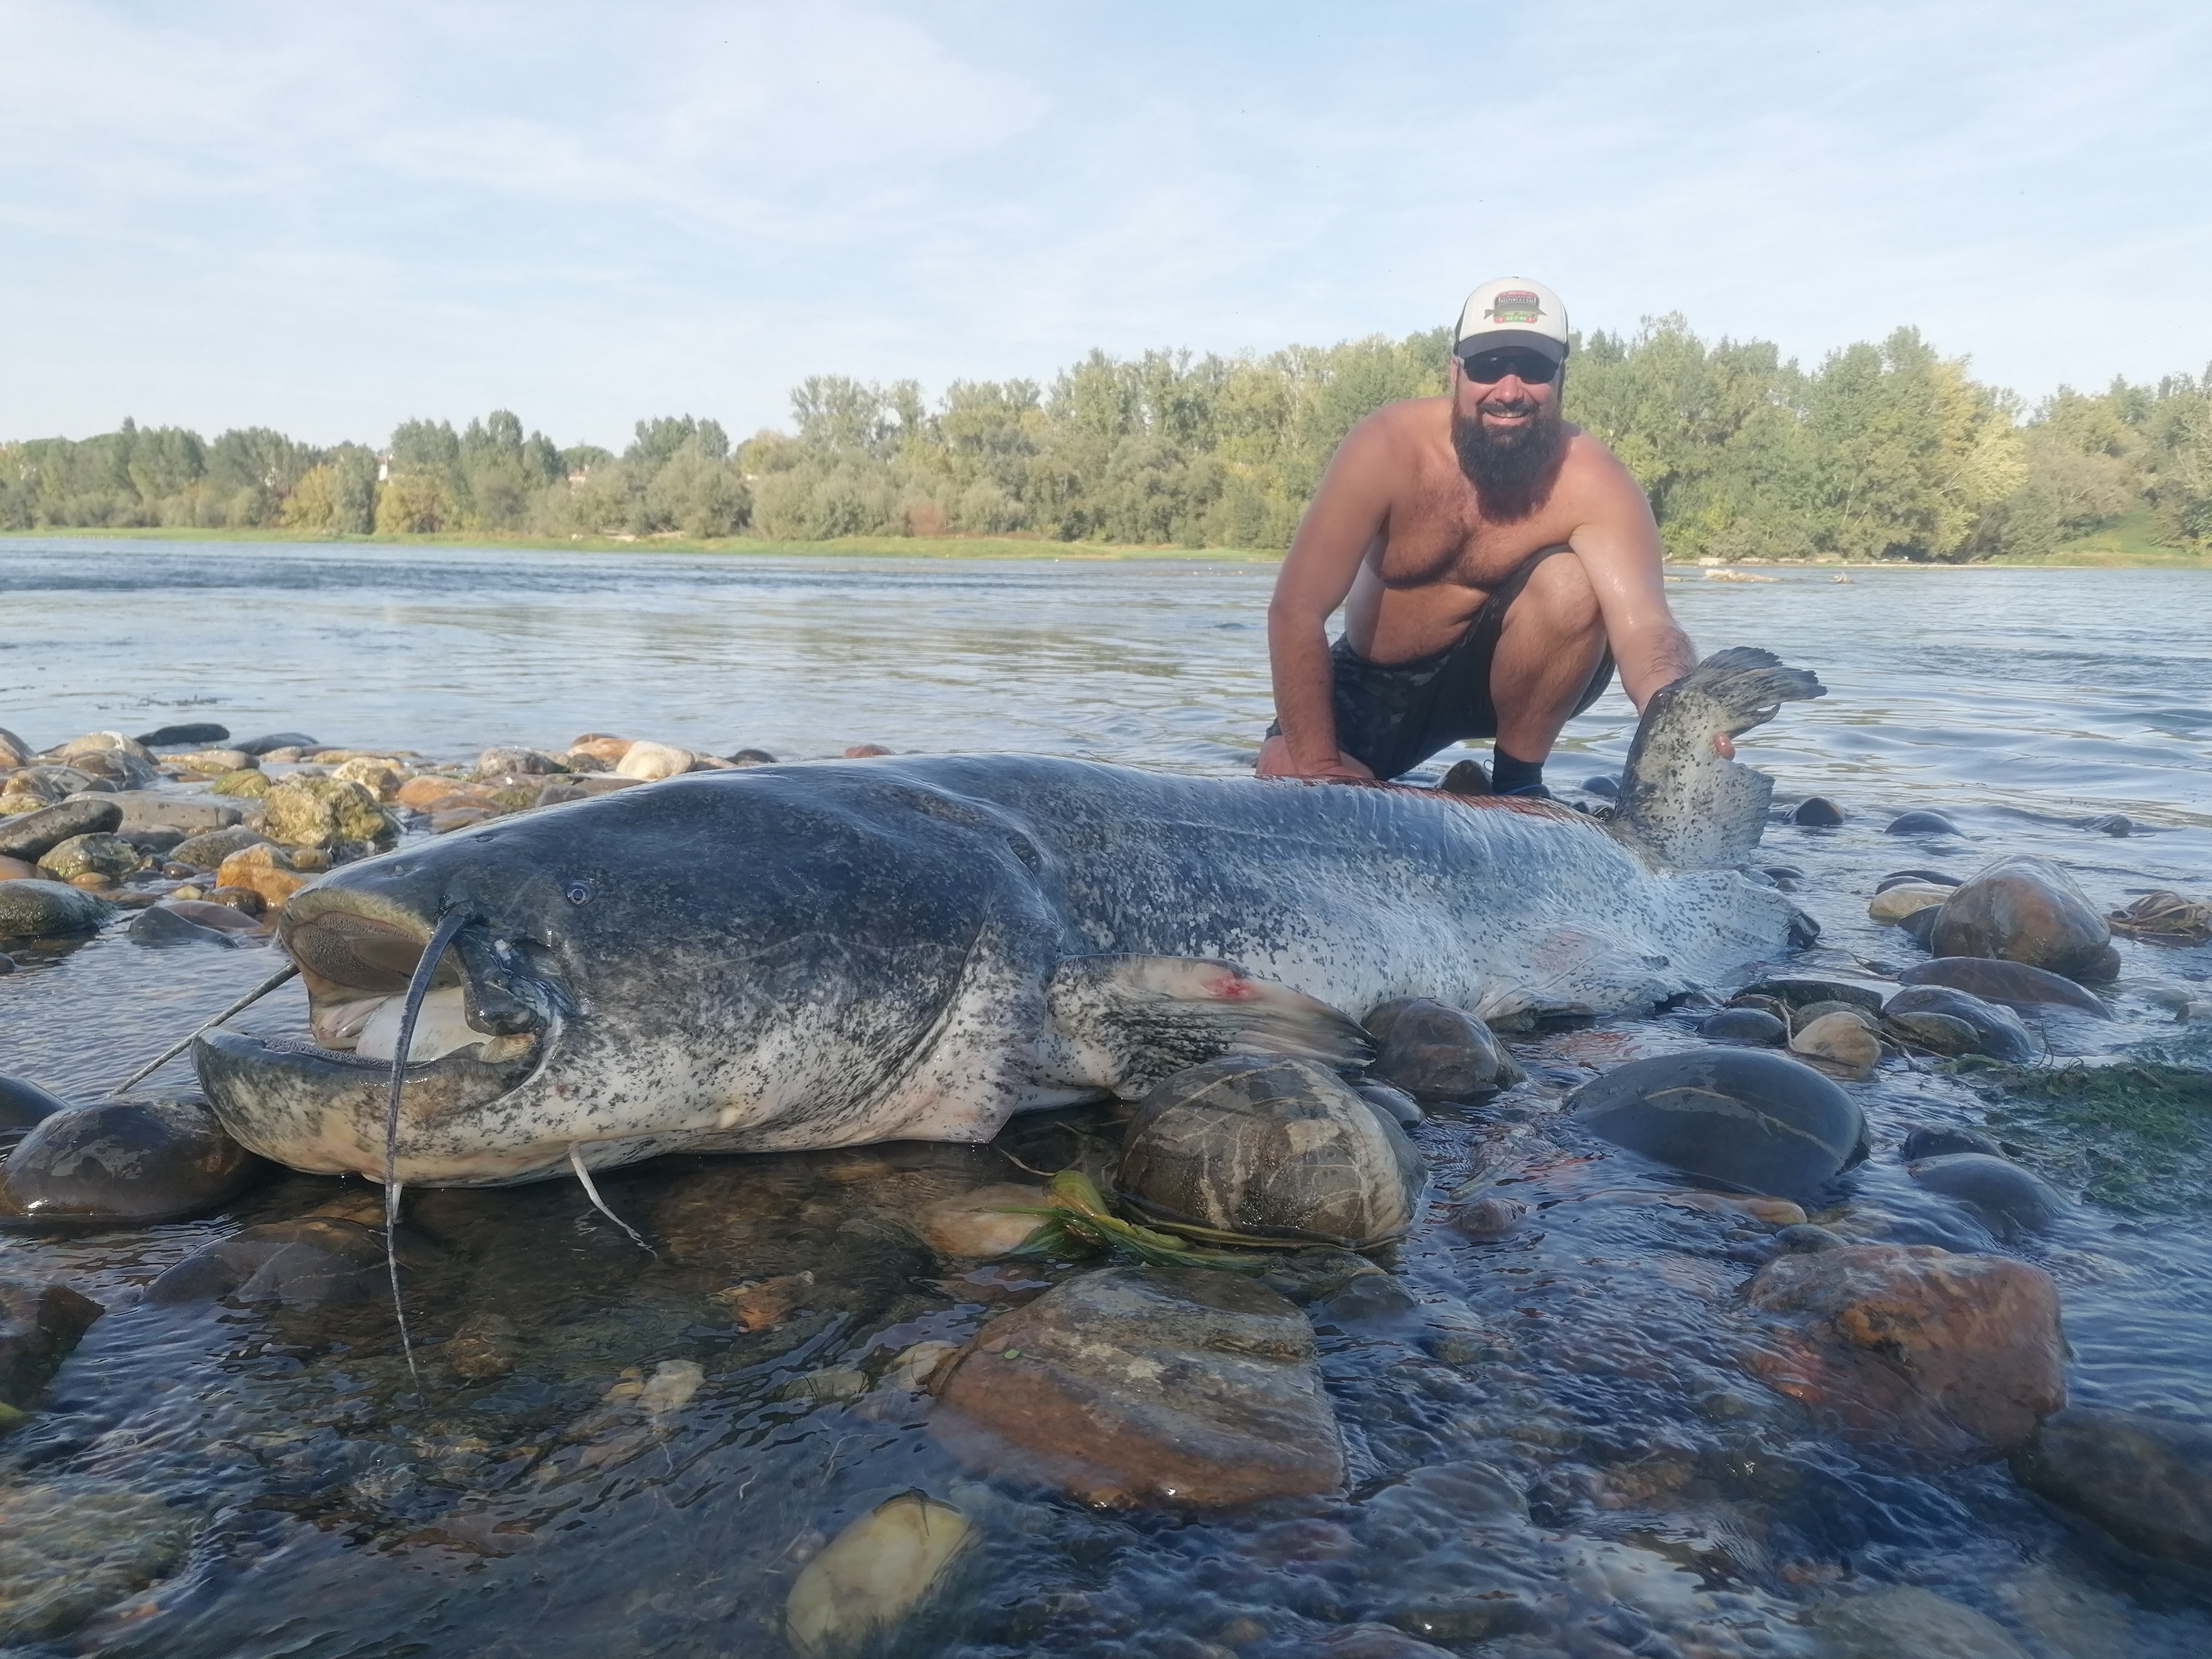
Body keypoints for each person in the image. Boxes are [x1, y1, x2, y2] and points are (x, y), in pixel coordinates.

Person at [1256, 276, 1702, 796]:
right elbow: (1296, 609)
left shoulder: (1596, 480)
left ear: (1561, 377)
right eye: (1487, 367)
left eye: (1533, 368)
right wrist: (1319, 767)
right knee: (1286, 775)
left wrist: (1678, 710)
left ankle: (1518, 787)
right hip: (1378, 683)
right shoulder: (1386, 447)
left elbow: (1646, 626)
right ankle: (1448, 793)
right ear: (1456, 372)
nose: (1509, 392)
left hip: (1516, 685)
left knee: (1573, 583)